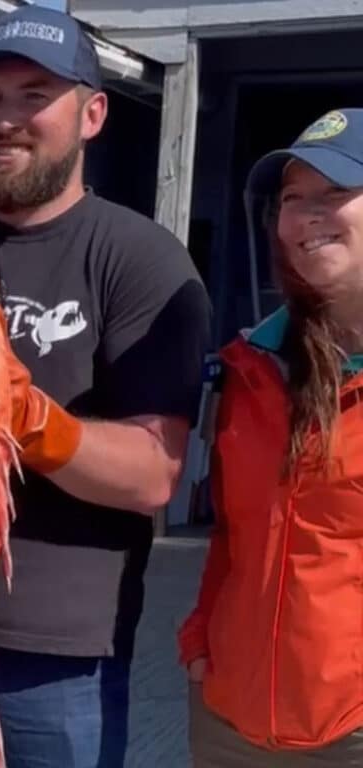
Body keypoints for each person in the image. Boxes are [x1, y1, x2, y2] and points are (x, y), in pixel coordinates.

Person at [0, 5, 212, 767]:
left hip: (53, 659)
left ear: (92, 115)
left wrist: (23, 414)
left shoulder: (141, 259)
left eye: (35, 96)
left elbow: (152, 474)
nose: (6, 120)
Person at [178, 108, 363, 767]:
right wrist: (201, 638)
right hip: (230, 720)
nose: (307, 215)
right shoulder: (252, 365)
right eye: (292, 198)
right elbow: (232, 534)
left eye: (334, 193)